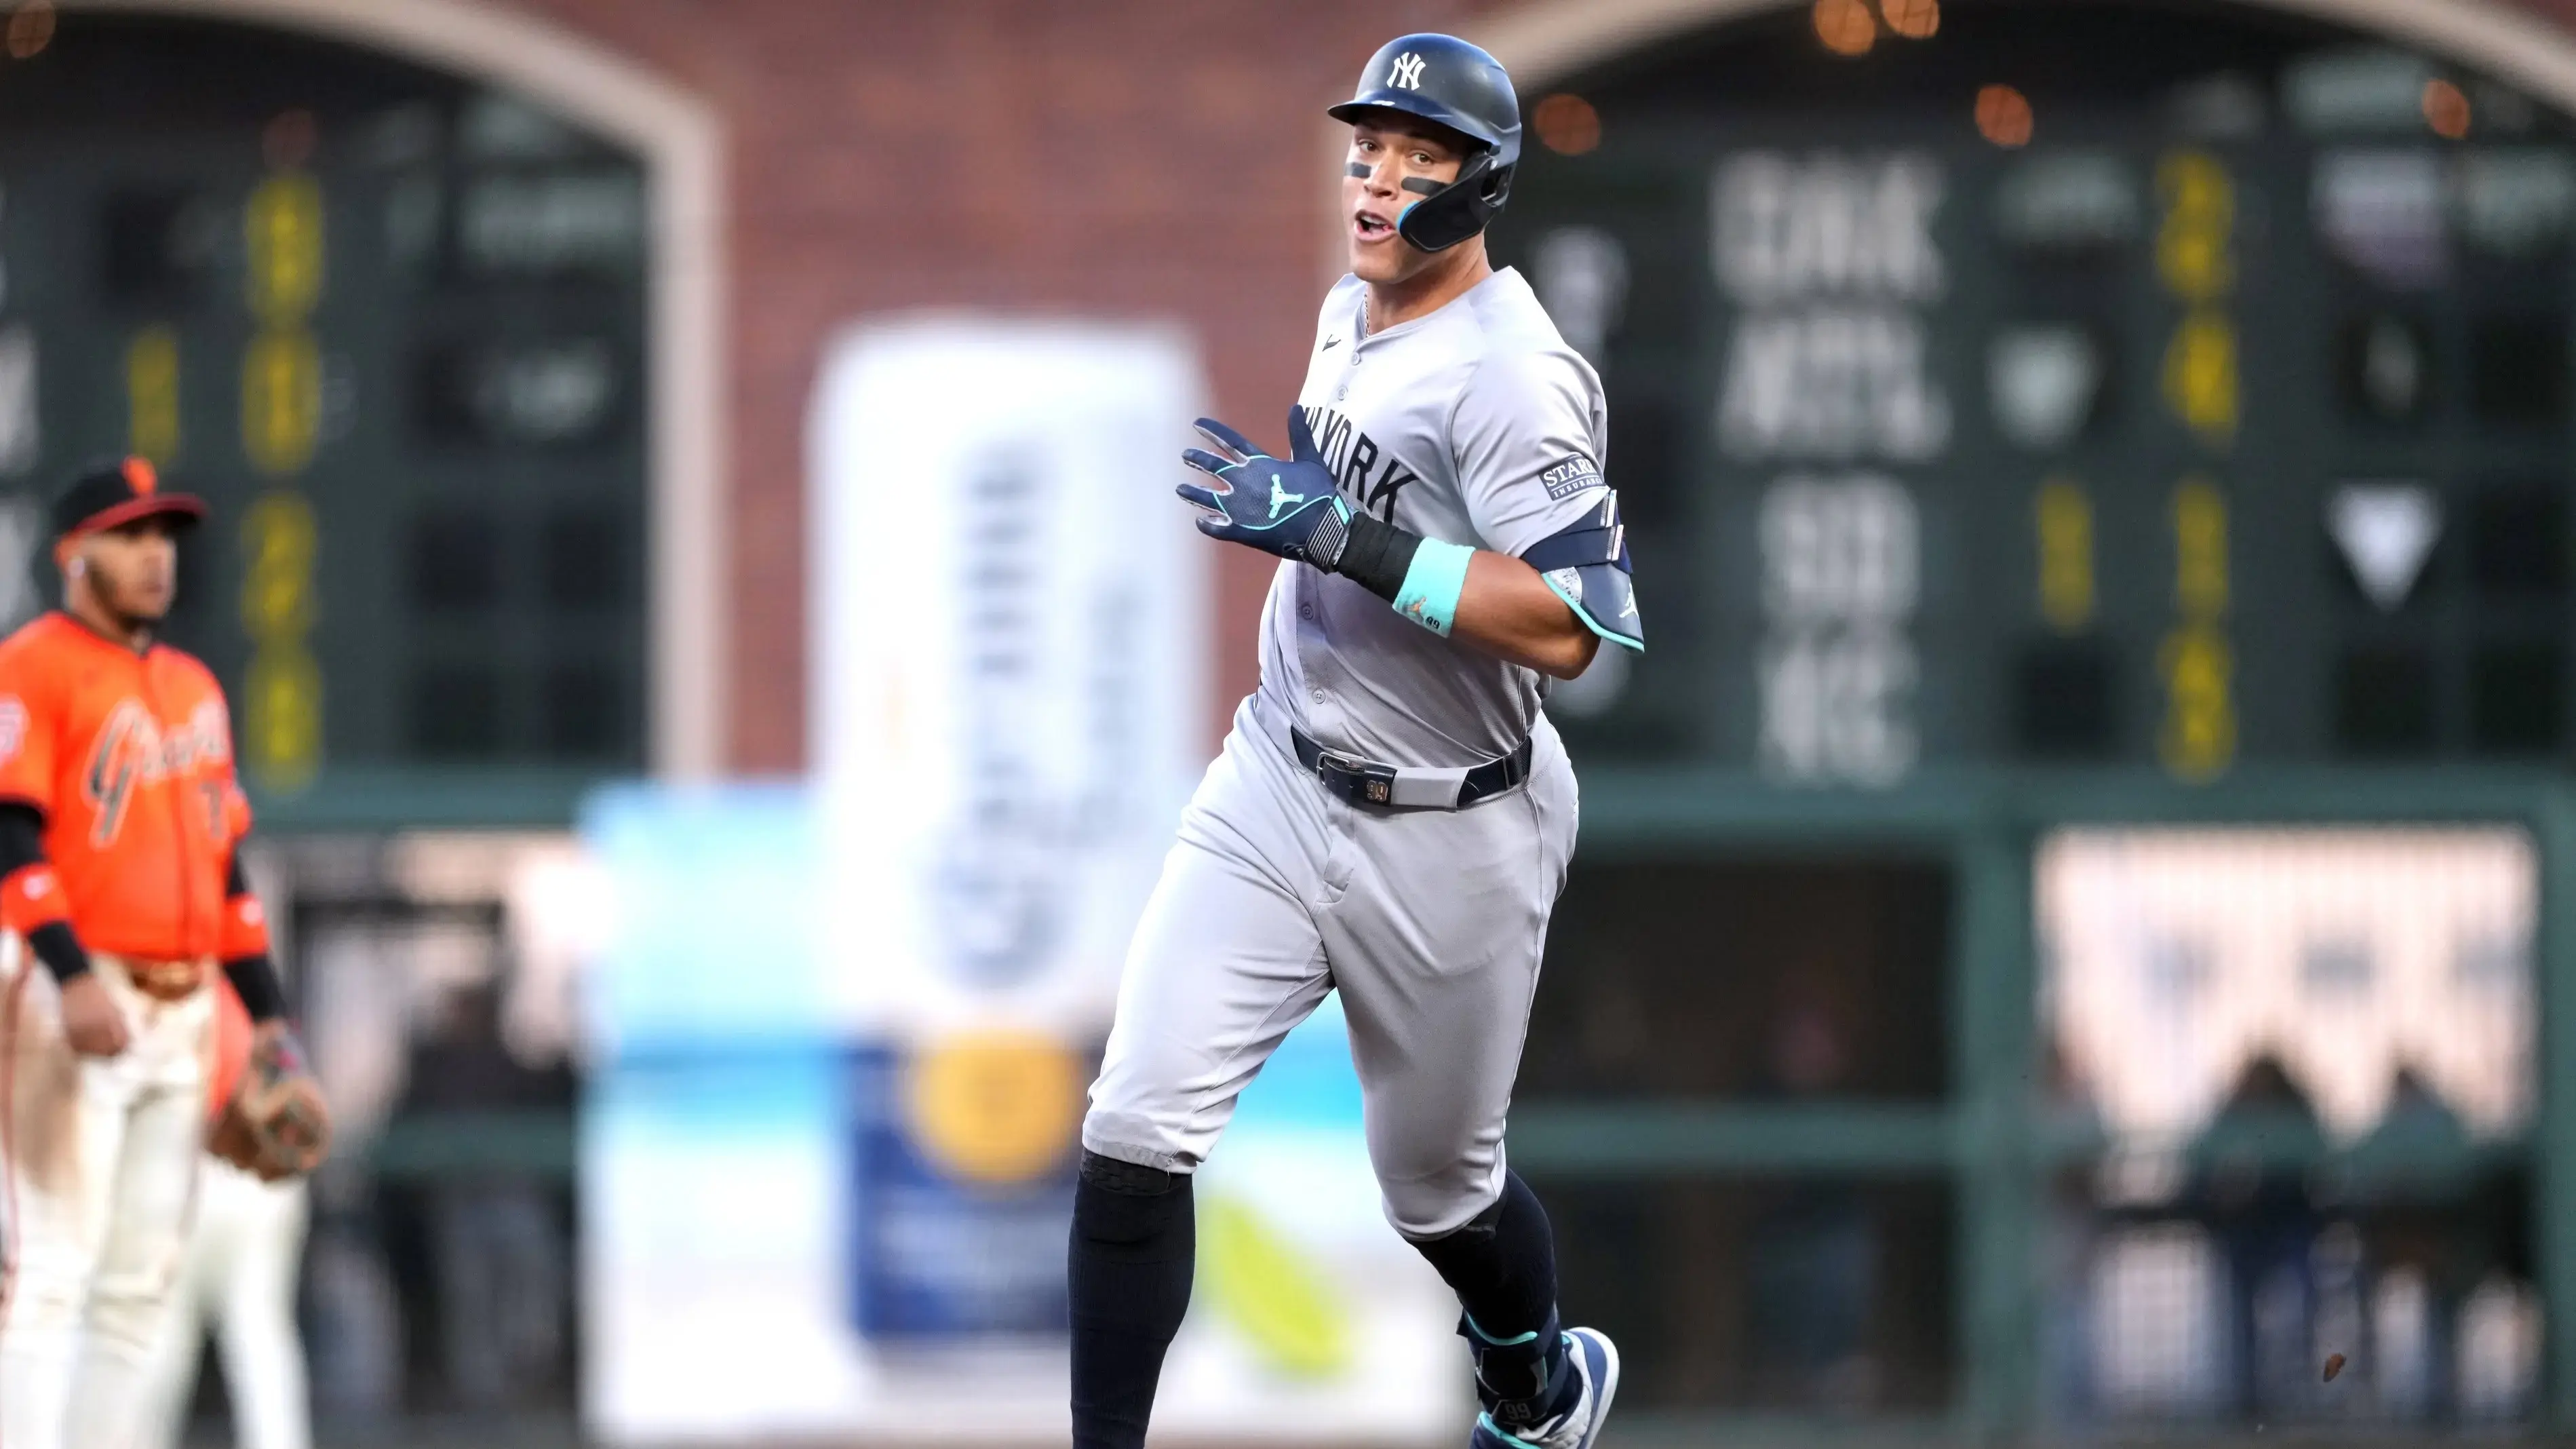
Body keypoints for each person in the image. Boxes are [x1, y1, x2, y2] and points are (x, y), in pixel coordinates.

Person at [1069, 35, 1641, 1449]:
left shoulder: (1516, 372)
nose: (1378, 177)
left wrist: (1348, 536)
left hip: (1455, 821)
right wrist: (1333, 523)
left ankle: (1537, 1385)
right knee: (1136, 1122)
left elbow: (1578, 625)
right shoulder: (1352, 308)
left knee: (1436, 1191)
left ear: (1481, 183)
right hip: (1279, 770)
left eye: (1418, 154)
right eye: (1367, 148)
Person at [0, 457, 328, 1449]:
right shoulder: (34, 664)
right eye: (130, 536)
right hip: (86, 990)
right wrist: (64, 973)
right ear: (74, 554)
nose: (155, 558)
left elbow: (225, 870)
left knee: (141, 1285)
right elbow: (9, 828)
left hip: (186, 1010)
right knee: (55, 1271)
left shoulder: (192, 689)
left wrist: (269, 1017)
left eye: (164, 538)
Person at [139, 977, 313, 1449]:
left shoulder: (184, 988)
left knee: (165, 1341)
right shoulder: (254, 988)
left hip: (199, 1171)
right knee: (257, 1340)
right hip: (261, 1171)